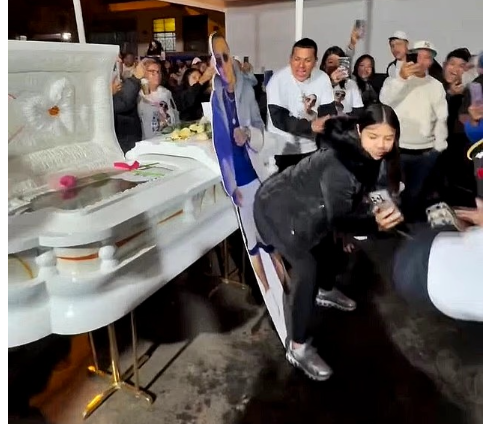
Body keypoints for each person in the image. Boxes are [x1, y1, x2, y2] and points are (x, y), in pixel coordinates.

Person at [253, 104, 403, 380]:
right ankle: (297, 347)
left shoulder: (376, 155)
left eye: (388, 138)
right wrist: (374, 224)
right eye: (373, 136)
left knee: (335, 247)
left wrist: (385, 206)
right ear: (359, 130)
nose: (381, 145)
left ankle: (325, 290)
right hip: (278, 211)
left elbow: (376, 188)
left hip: (313, 209)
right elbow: (340, 219)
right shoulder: (339, 163)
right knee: (308, 270)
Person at [210, 32, 288, 308]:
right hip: (240, 179)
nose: (222, 64)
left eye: (225, 56)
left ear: (231, 55)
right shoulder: (216, 96)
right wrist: (231, 186)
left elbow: (260, 127)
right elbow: (221, 147)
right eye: (217, 59)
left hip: (258, 172)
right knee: (252, 241)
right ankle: (267, 295)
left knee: (268, 236)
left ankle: (286, 292)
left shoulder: (246, 88)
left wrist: (248, 133)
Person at [266, 38, 336, 172]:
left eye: (307, 60)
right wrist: (310, 126)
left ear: (315, 61)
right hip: (282, 149)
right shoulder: (278, 80)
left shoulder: (322, 78)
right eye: (297, 59)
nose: (301, 66)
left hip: (311, 148)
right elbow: (279, 119)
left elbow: (328, 112)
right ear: (290, 59)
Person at [138, 58, 179, 140]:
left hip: (170, 139)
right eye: (152, 71)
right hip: (150, 142)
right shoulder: (139, 97)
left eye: (158, 71)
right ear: (143, 74)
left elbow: (175, 116)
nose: (156, 74)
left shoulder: (167, 93)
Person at [320, 46, 364, 117]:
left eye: (338, 63)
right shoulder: (318, 83)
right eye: (331, 62)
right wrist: (332, 83)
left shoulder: (351, 84)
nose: (335, 66)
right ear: (324, 65)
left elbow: (358, 111)